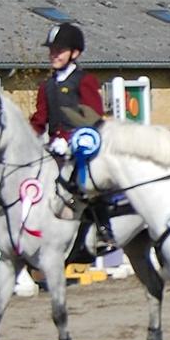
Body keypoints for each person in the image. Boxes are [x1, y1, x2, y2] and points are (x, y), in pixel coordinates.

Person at [28, 22, 114, 248]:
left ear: (74, 53)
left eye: (59, 50)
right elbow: (40, 118)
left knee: (90, 181)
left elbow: (93, 117)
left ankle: (104, 229)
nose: (53, 55)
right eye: (52, 50)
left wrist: (68, 141)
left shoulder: (84, 81)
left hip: (83, 146)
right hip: (54, 149)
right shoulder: (47, 85)